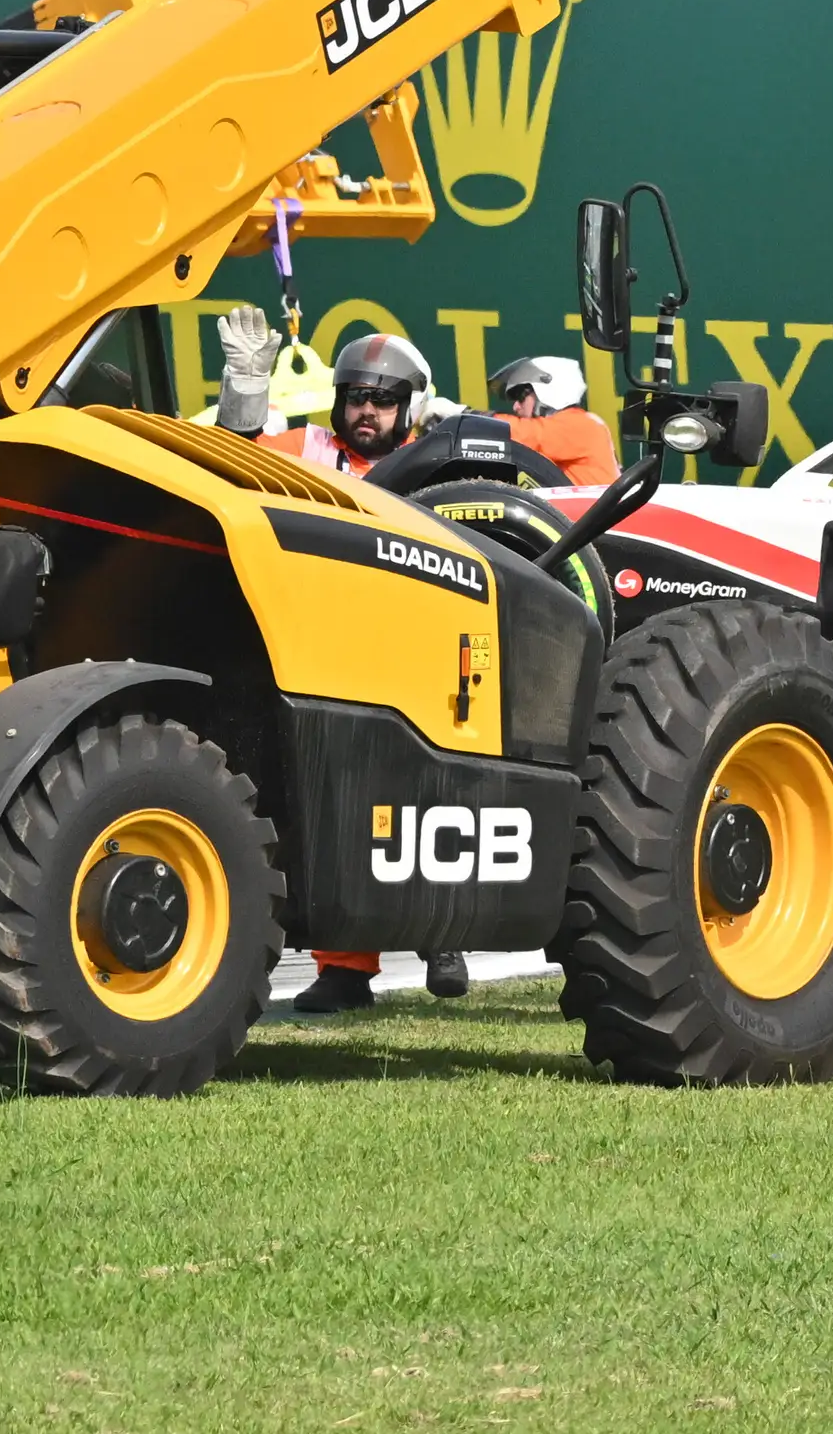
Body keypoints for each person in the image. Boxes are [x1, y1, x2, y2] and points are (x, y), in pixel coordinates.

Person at [211, 316, 470, 1012]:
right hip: (328, 651)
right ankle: (346, 971)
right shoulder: (309, 449)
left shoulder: (448, 460)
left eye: (382, 400)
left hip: (425, 651)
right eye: (355, 396)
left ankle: (443, 933)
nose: (365, 411)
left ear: (410, 407)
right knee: (335, 805)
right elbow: (231, 461)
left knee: (435, 793)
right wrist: (244, 386)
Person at [491, 355, 616, 488]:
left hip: (594, 507)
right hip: (583, 507)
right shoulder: (575, 424)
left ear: (547, 391)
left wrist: (476, 419)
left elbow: (527, 435)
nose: (515, 407)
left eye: (521, 397)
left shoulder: (579, 425)